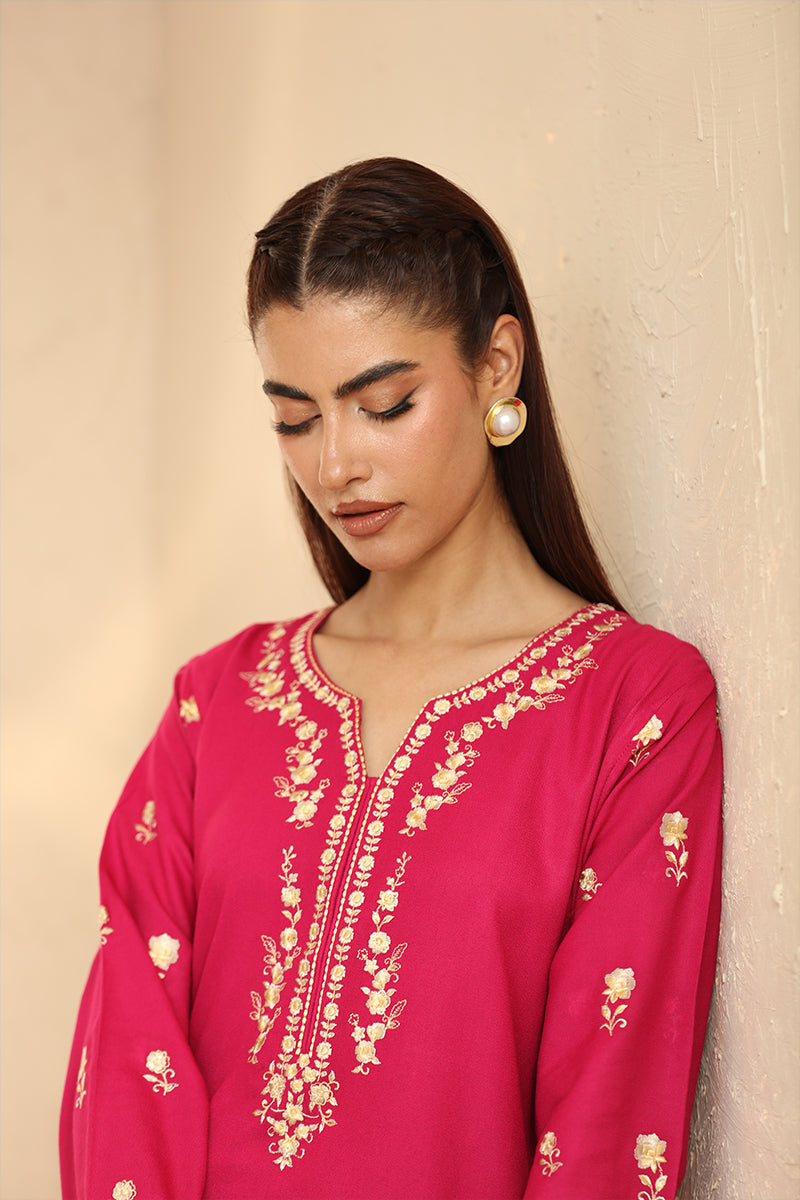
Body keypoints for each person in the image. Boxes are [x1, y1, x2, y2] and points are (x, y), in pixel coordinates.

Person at [60, 157, 722, 1200]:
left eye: (383, 403)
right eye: (294, 417)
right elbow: (128, 1095)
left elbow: (606, 1122)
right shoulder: (216, 704)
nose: (335, 466)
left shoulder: (632, 710)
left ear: (496, 365)